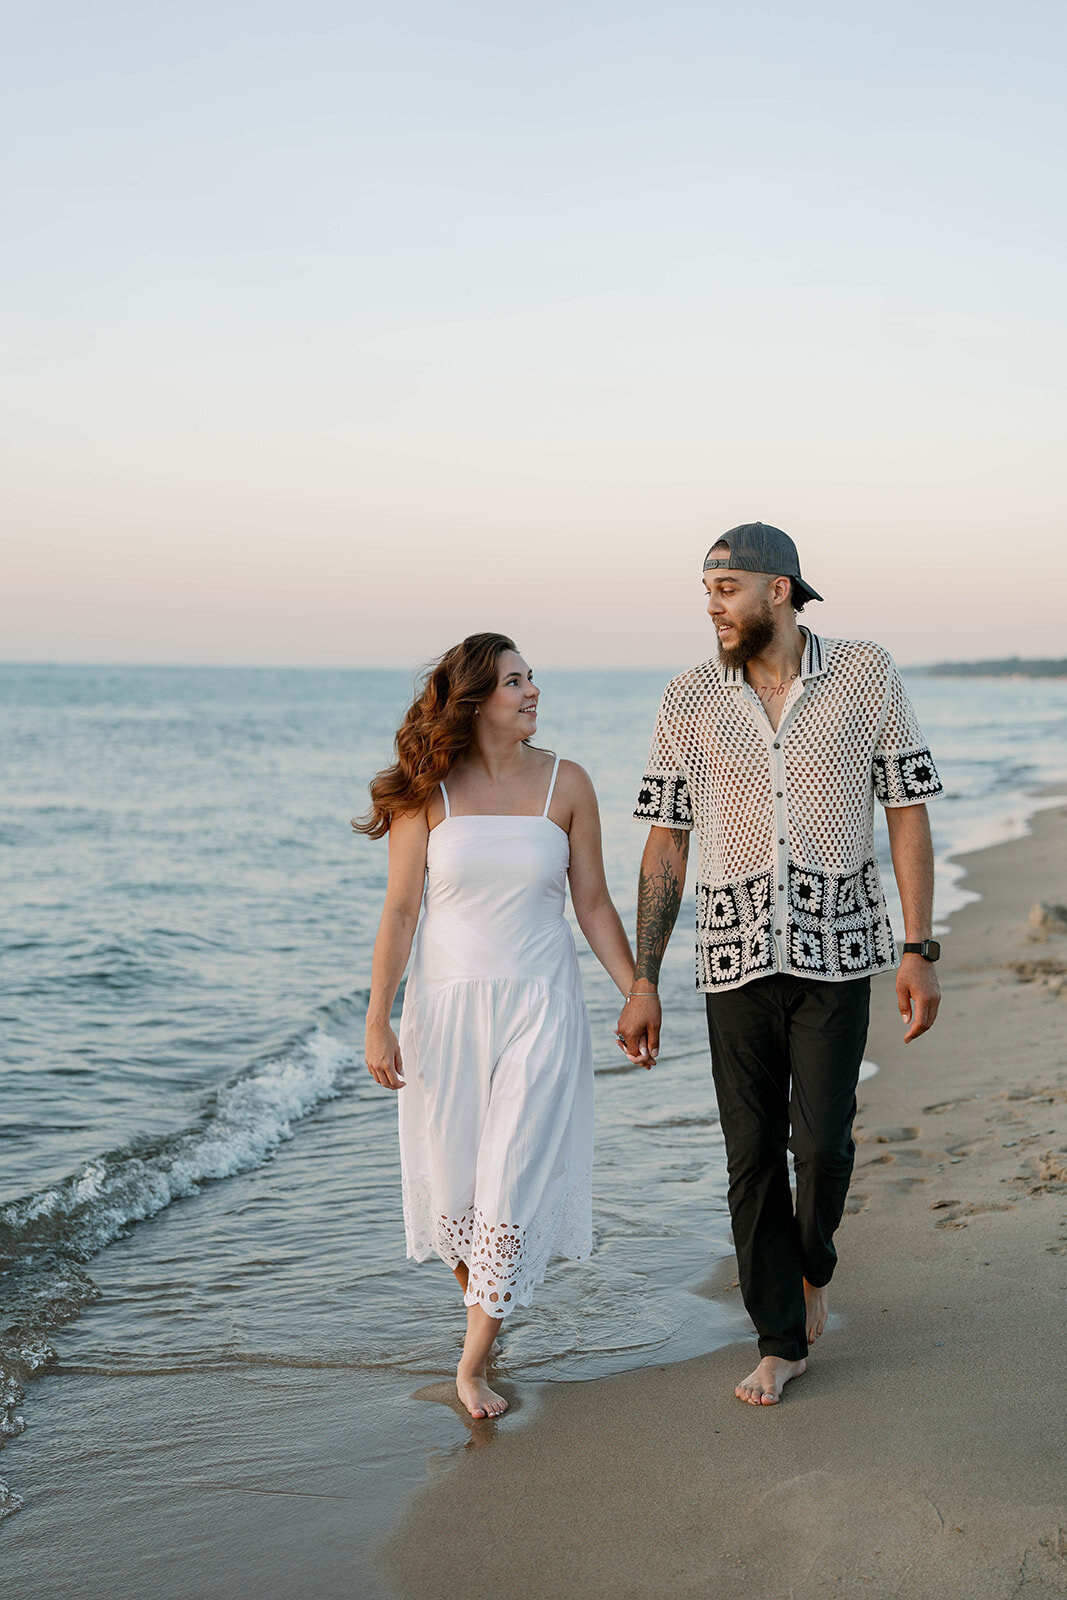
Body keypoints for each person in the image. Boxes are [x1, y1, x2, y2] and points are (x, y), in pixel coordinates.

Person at [616, 523, 943, 1406]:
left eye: (726, 588)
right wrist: (643, 979)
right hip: (732, 956)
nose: (712, 605)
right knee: (750, 1154)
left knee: (822, 1144)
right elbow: (665, 840)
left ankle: (813, 1266)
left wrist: (918, 948)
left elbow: (905, 810)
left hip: (838, 950)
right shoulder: (687, 697)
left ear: (780, 591)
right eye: (704, 591)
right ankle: (779, 1339)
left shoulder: (864, 672)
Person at [358, 633, 636, 1420]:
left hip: (541, 1009)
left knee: (511, 1178)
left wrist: (634, 988)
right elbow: (402, 912)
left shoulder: (567, 785)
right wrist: (378, 1019)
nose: (532, 692)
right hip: (444, 1015)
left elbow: (593, 904)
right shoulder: (426, 794)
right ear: (476, 700)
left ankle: (471, 1363)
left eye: (531, 678)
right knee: (458, 1199)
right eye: (515, 681)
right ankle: (489, 1310)